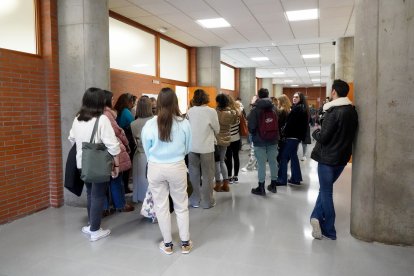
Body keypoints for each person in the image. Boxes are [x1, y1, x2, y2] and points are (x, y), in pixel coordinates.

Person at [141, 87, 193, 255]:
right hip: (177, 166)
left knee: (161, 207)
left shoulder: (149, 124)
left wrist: (157, 158)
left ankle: (168, 244)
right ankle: (185, 243)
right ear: (175, 102)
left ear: (158, 103)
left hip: (155, 168)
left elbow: (146, 149)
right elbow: (188, 148)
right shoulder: (184, 123)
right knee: (181, 206)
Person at [68, 87, 120, 242]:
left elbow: (71, 138)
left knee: (90, 193)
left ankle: (91, 224)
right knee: (98, 195)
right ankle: (95, 230)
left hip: (82, 162)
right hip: (98, 163)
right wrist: (116, 165)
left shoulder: (78, 117)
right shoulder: (102, 119)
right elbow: (112, 145)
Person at [310, 79, 358, 240]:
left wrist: (315, 131)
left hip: (327, 159)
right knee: (325, 190)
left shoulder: (333, 111)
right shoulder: (352, 111)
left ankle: (329, 229)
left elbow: (323, 137)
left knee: (326, 192)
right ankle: (316, 217)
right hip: (342, 158)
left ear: (334, 92)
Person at [102, 90, 134, 214]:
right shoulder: (107, 114)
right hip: (112, 148)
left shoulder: (95, 114)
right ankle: (120, 204)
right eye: (112, 98)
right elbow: (117, 131)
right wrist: (126, 142)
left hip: (101, 150)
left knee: (104, 180)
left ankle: (105, 207)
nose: (113, 101)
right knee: (116, 178)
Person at [187, 89, 220, 209]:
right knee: (208, 175)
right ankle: (207, 202)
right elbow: (217, 129)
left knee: (193, 174)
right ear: (206, 98)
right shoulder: (211, 111)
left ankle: (195, 200)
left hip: (191, 147)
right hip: (206, 147)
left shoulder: (190, 111)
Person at [272, 92, 308, 187]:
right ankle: (296, 178)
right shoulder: (300, 108)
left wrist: (284, 132)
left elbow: (291, 124)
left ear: (301, 98)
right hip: (295, 137)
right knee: (293, 156)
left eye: (297, 97)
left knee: (283, 157)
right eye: (293, 97)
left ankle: (282, 180)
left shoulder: (298, 109)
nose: (294, 98)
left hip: (292, 137)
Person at [247, 88, 279, 195]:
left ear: (258, 96)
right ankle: (273, 185)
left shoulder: (255, 109)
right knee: (273, 162)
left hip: (259, 140)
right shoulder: (274, 108)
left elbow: (251, 127)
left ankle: (261, 187)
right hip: (273, 139)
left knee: (261, 164)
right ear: (268, 95)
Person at [131, 96, 154, 203]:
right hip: (153, 154)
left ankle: (142, 200)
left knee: (141, 180)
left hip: (139, 154)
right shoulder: (155, 120)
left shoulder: (133, 124)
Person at [214, 94, 238, 192]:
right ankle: (226, 184)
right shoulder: (232, 112)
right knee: (222, 161)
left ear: (218, 102)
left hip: (216, 139)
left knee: (216, 162)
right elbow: (234, 123)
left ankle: (218, 184)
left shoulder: (215, 112)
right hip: (227, 138)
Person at [114, 93, 135, 194]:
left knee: (121, 165)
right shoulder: (126, 111)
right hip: (126, 140)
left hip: (118, 141)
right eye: (132, 101)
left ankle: (122, 187)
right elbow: (133, 123)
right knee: (127, 165)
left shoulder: (117, 111)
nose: (132, 104)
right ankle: (125, 187)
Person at [225, 95, 242, 184]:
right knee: (236, 157)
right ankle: (236, 176)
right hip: (236, 137)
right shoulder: (237, 111)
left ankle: (229, 176)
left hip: (227, 138)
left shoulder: (225, 112)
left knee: (228, 158)